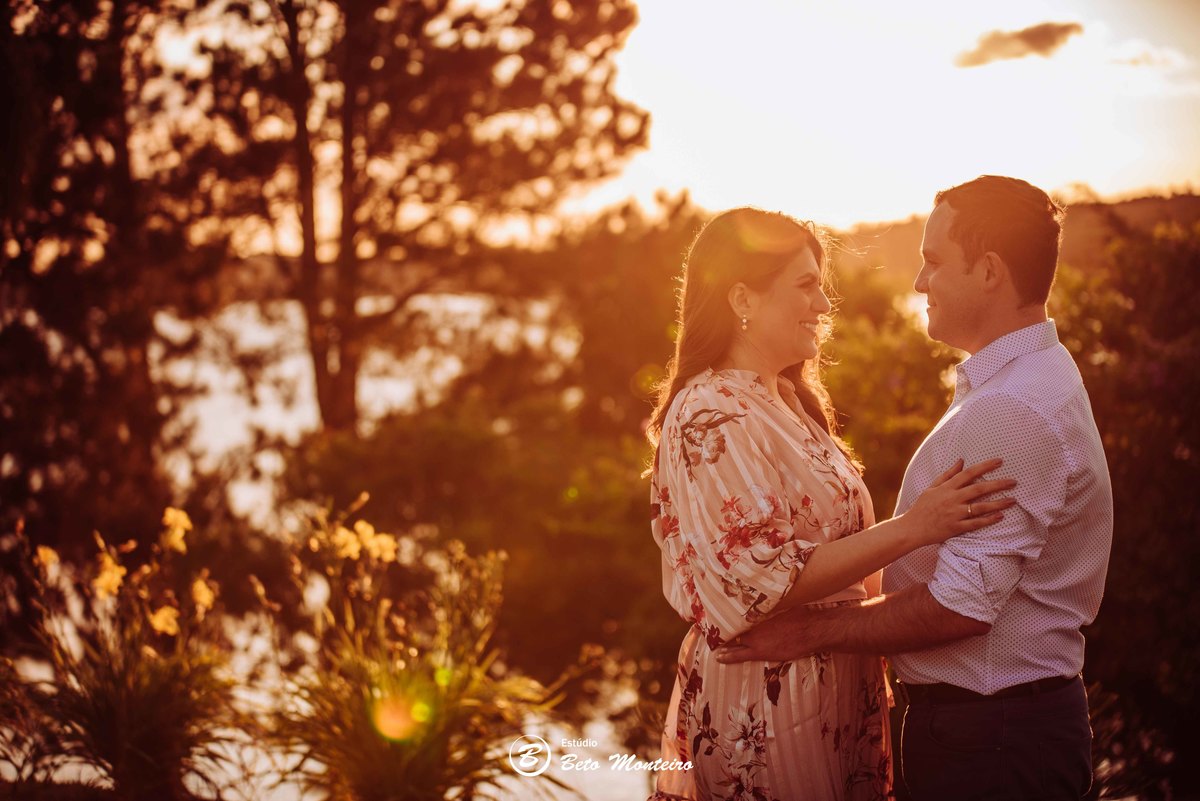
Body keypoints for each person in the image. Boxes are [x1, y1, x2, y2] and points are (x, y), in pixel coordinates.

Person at [715, 177, 1114, 801]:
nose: (918, 282)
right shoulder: (1025, 379)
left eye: (932, 262)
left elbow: (960, 607)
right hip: (997, 731)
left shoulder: (1014, 407)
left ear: (988, 271)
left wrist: (807, 633)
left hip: (993, 742)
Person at [646, 207, 1016, 801]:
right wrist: (917, 528)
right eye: (805, 285)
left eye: (822, 286)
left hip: (836, 685)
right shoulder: (710, 409)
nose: (823, 305)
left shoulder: (788, 400)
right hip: (769, 699)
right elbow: (759, 579)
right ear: (742, 298)